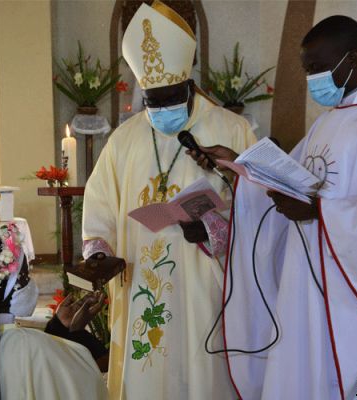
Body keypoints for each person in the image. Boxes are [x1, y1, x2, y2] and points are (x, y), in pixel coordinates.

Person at [191, 15, 357, 400]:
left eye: (318, 68)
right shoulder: (326, 124)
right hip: (305, 283)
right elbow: (286, 179)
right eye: (307, 69)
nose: (312, 79)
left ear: (353, 58)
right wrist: (238, 164)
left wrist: (320, 212)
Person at [81, 1, 257, 398]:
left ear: (189, 82)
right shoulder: (123, 141)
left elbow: (259, 208)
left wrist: (212, 228)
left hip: (204, 287)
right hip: (141, 278)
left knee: (202, 375)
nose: (161, 109)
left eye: (170, 97)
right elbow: (100, 204)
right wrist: (98, 250)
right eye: (152, 100)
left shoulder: (231, 129)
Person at [0, 223, 109, 400]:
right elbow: (84, 378)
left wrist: (59, 327)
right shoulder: (28, 344)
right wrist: (76, 332)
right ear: (6, 289)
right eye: (24, 277)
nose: (30, 284)